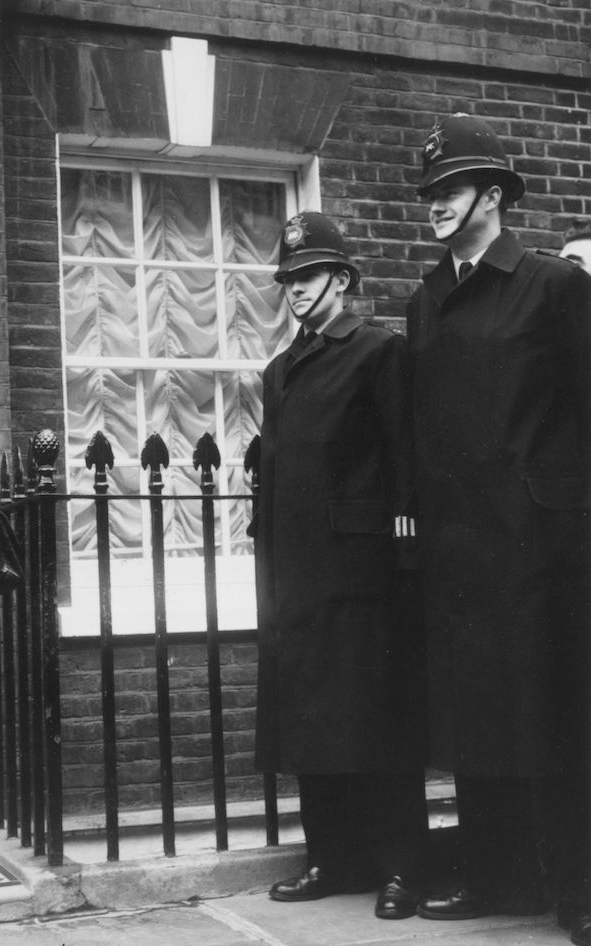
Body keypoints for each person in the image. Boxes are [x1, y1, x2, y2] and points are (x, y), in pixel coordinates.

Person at [406, 112, 590, 946]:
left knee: (555, 721)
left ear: (493, 194)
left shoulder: (553, 285)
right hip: (458, 553)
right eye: (429, 193)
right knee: (477, 720)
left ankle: (576, 893)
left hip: (545, 551)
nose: (434, 205)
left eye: (449, 190)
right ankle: (496, 876)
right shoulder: (426, 298)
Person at [253, 211, 427, 921]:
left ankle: (400, 869)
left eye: (310, 275)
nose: (297, 288)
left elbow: (403, 458)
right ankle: (331, 857)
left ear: (343, 279)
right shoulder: (278, 369)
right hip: (295, 573)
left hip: (362, 574)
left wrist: (402, 555)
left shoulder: (377, 352)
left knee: (377, 721)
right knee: (311, 719)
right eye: (288, 278)